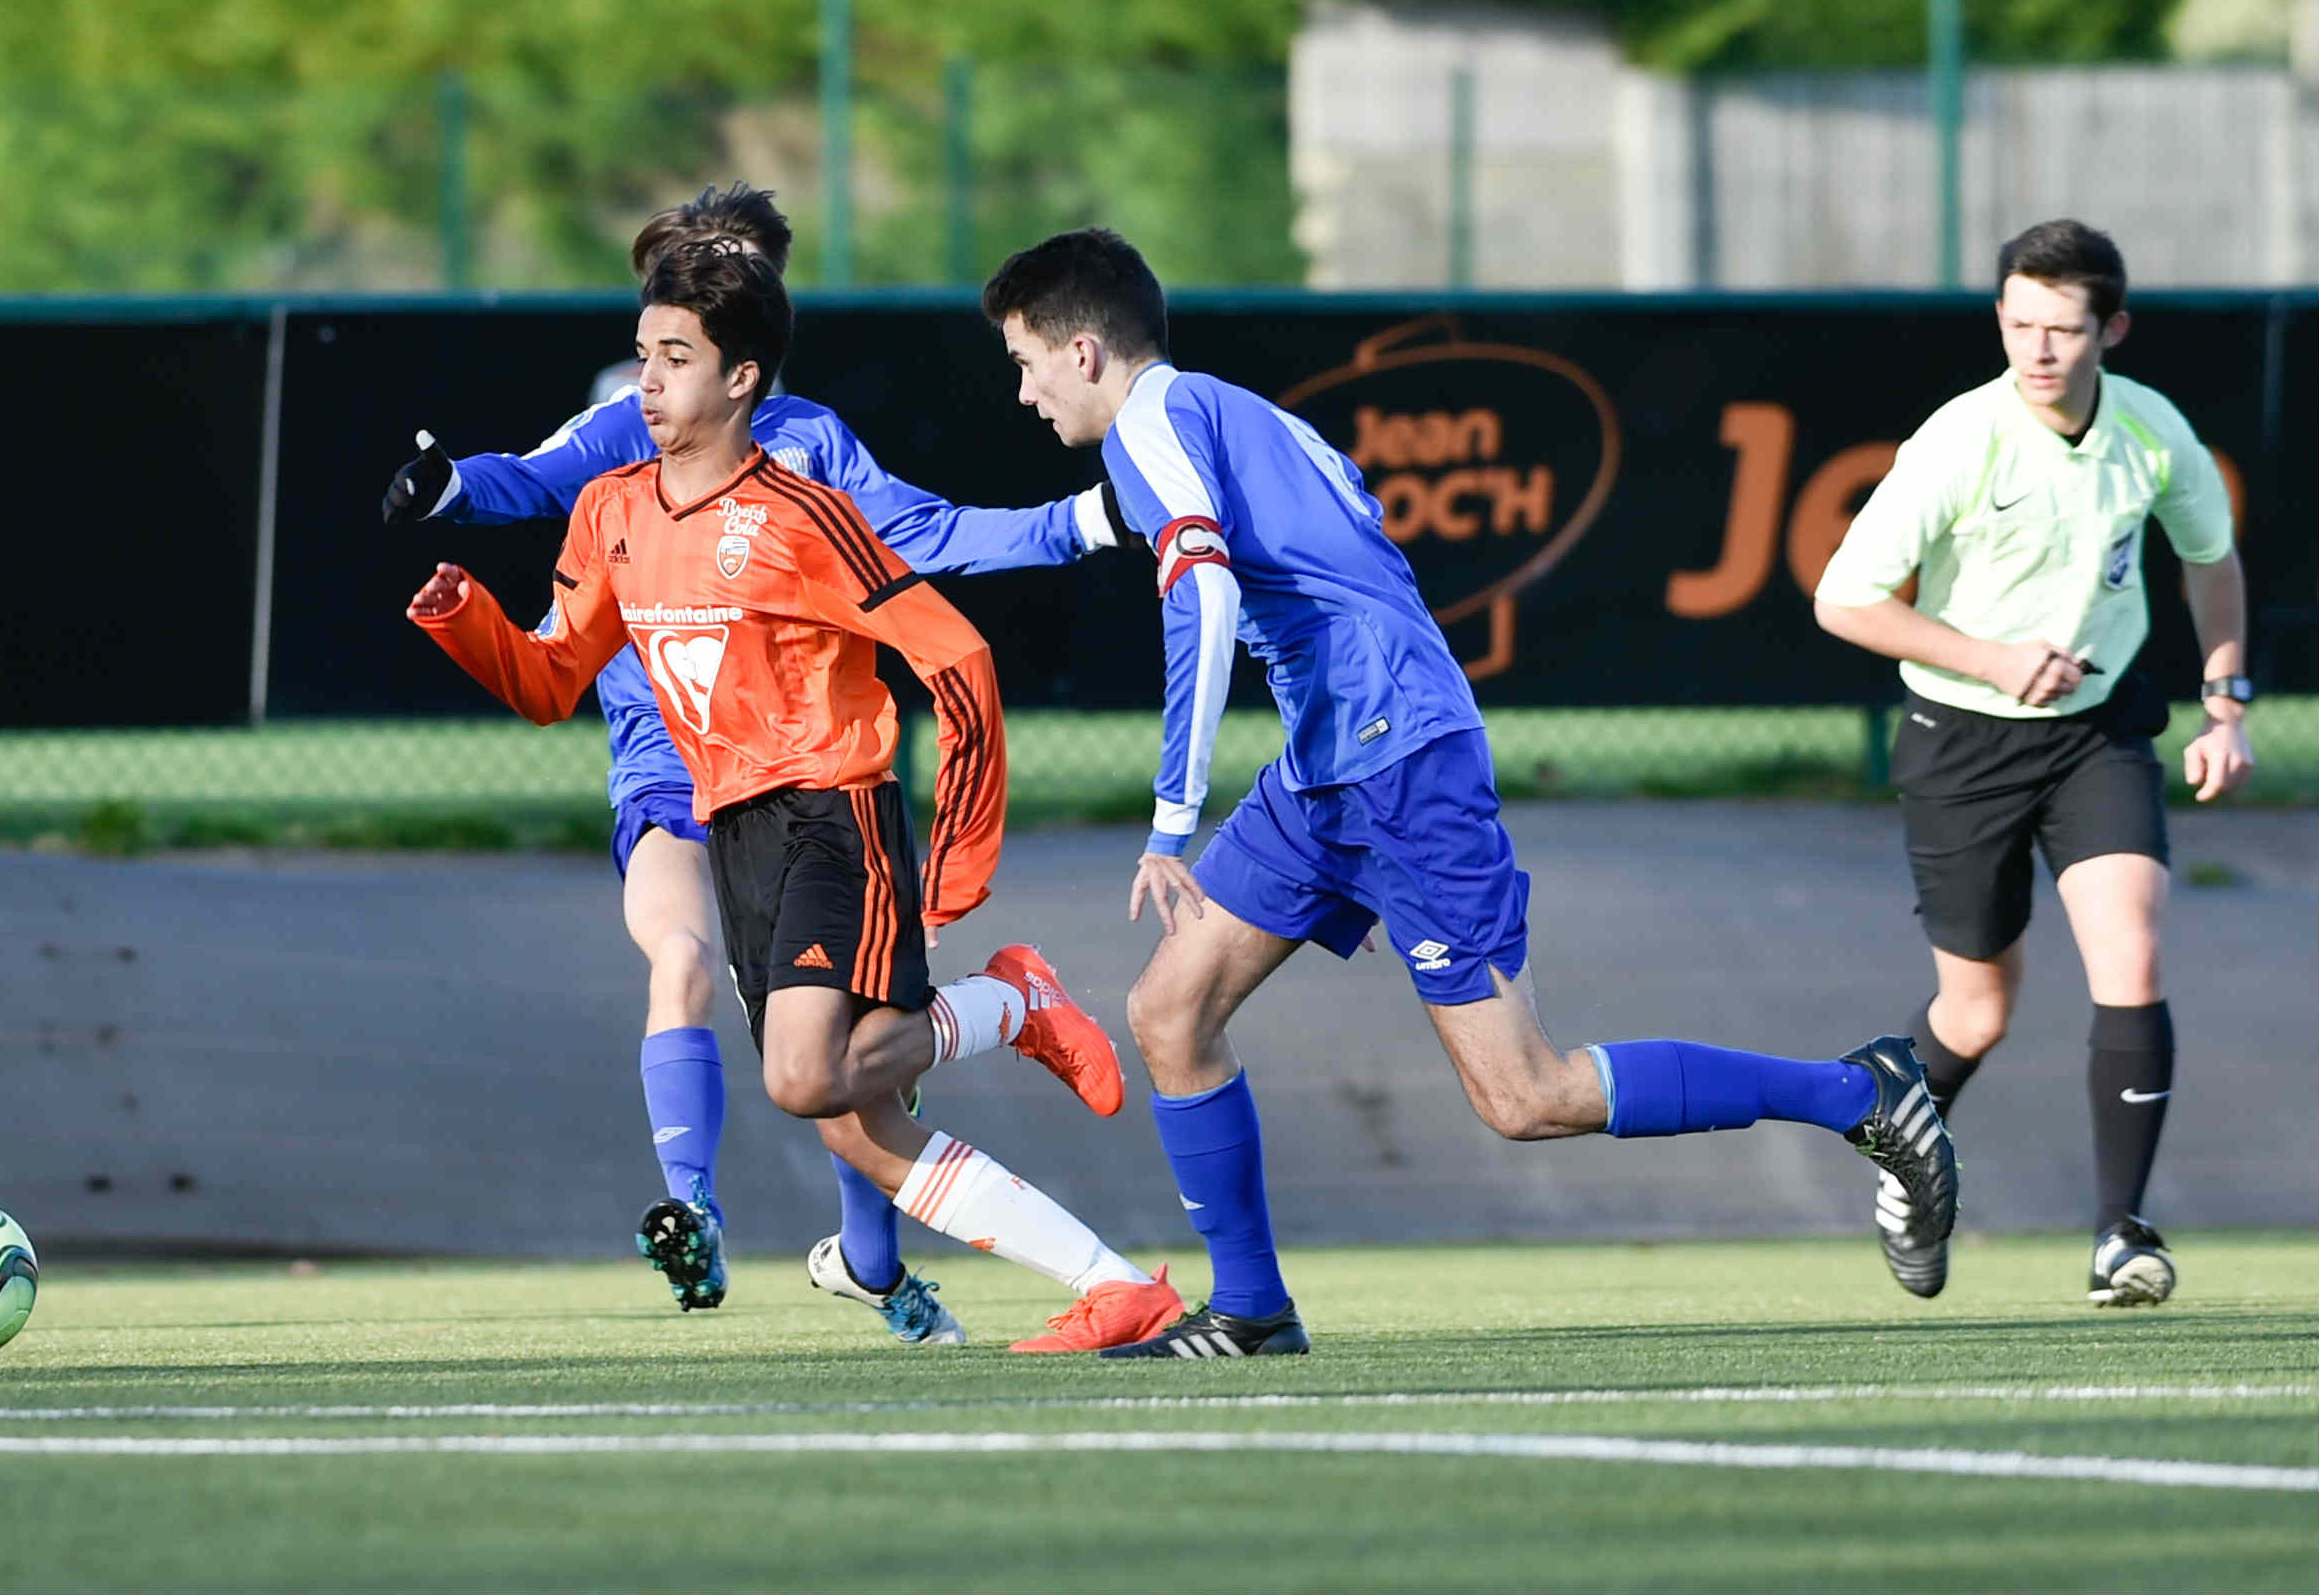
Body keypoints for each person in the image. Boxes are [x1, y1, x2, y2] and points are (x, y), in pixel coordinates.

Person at [978, 228, 1960, 1359]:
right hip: (1326, 768)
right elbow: (1068, 534)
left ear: (1084, 350)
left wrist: (1168, 818)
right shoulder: (1230, 417)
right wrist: (887, 530)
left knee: (1524, 1094)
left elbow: (1195, 586)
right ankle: (1250, 1309)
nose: (1020, 391)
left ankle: (1857, 1093)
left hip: (1398, 758)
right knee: (1168, 1012)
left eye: (1024, 361)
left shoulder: (1155, 429)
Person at [384, 186, 1131, 1341]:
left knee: (817, 1073)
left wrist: (1071, 528)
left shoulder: (803, 477)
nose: (653, 367)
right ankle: (791, 1224)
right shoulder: (617, 483)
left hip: (823, 795)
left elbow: (934, 599)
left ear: (750, 357)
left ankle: (939, 1156)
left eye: (727, 291)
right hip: (693, 794)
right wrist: (459, 568)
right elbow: (539, 610)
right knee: (806, 1069)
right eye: (655, 332)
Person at [1814, 219, 2252, 1307]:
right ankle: (1902, 1143)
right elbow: (1841, 600)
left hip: (2096, 729)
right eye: (2018, 325)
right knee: (1975, 1012)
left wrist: (2223, 702)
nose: (2039, 349)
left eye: (2062, 327)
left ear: (2111, 327)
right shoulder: (1957, 442)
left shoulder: (2149, 432)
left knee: (2131, 956)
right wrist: (1989, 657)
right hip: (1959, 740)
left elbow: (2211, 561)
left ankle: (2119, 1234)